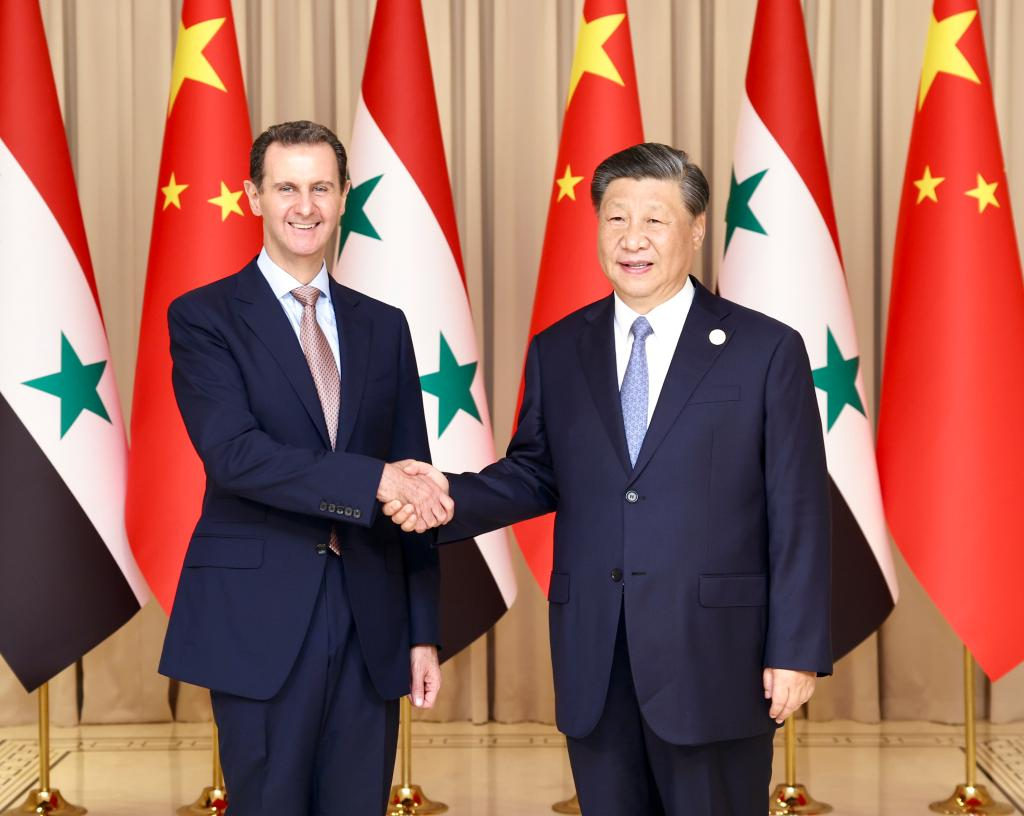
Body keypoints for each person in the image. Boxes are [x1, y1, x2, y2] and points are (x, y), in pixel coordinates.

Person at [387, 143, 832, 815]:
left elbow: (799, 511)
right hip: (596, 652)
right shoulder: (560, 348)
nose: (632, 239)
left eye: (654, 220)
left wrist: (795, 650)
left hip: (716, 657)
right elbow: (536, 472)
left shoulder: (765, 350)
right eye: (616, 218)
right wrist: (444, 497)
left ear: (697, 228)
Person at [158, 120, 452, 816]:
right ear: (253, 195)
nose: (305, 205)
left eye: (321, 187)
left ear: (345, 194)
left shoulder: (385, 325)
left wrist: (422, 630)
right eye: (286, 187)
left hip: (370, 618)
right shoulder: (203, 317)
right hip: (257, 617)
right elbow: (236, 456)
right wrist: (373, 479)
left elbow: (413, 482)